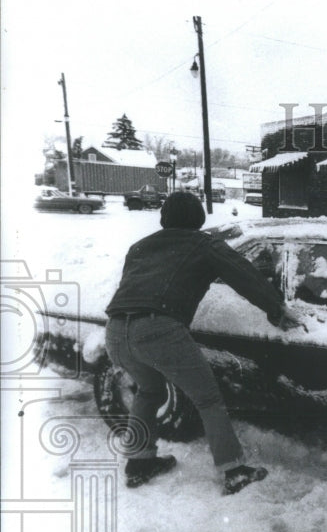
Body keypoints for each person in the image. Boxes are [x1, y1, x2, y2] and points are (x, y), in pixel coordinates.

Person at [105, 191, 304, 494]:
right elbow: (243, 275)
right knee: (208, 399)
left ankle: (138, 463)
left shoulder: (139, 247)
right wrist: (276, 309)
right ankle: (234, 471)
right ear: (198, 217)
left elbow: (137, 286)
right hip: (158, 328)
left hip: (116, 330)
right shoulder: (203, 244)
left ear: (164, 218)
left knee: (148, 391)